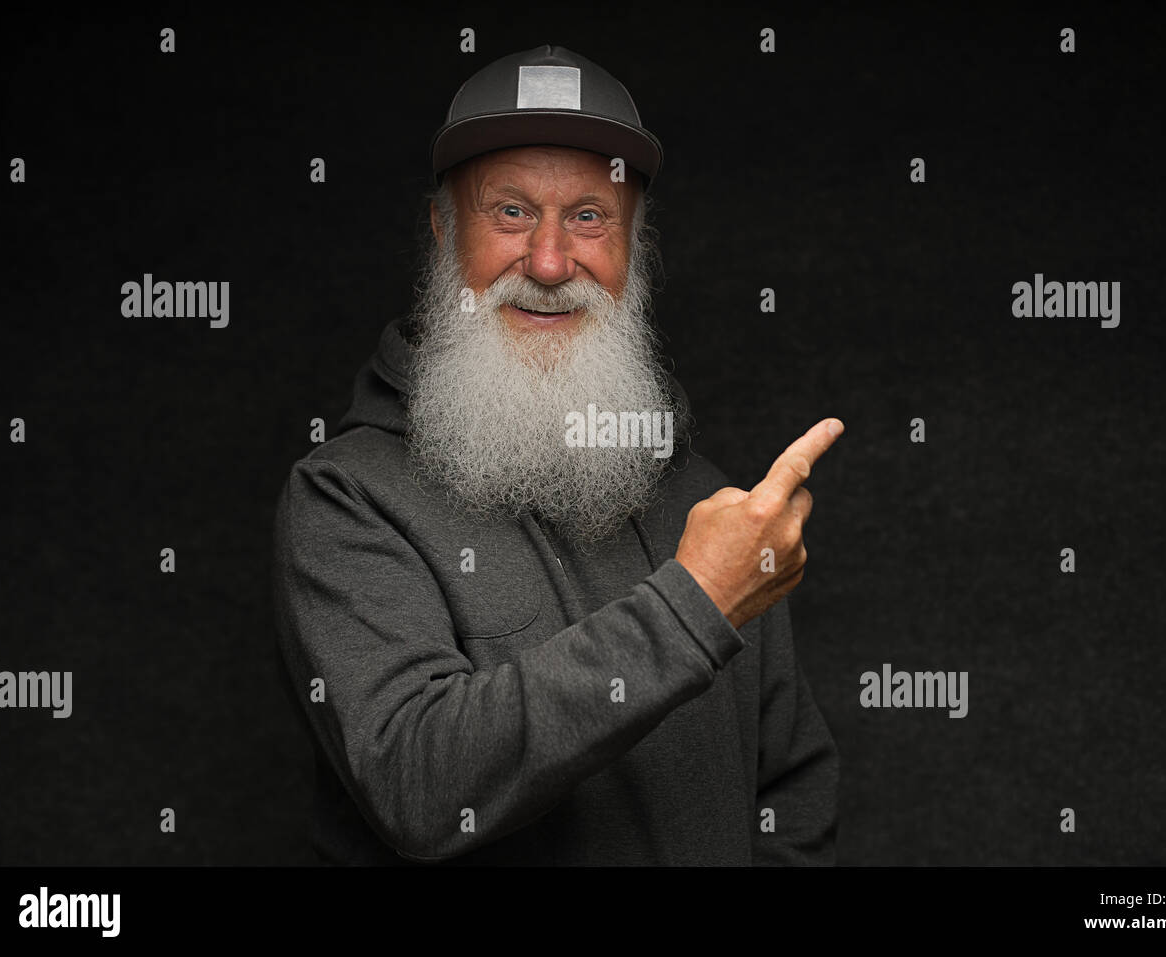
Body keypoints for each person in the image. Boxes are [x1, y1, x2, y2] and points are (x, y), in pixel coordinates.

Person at [271, 43, 844, 866]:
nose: (547, 262)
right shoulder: (343, 497)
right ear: (443, 230)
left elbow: (792, 791)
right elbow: (417, 783)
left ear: (632, 241)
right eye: (509, 211)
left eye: (588, 216)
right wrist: (696, 602)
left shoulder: (708, 504)